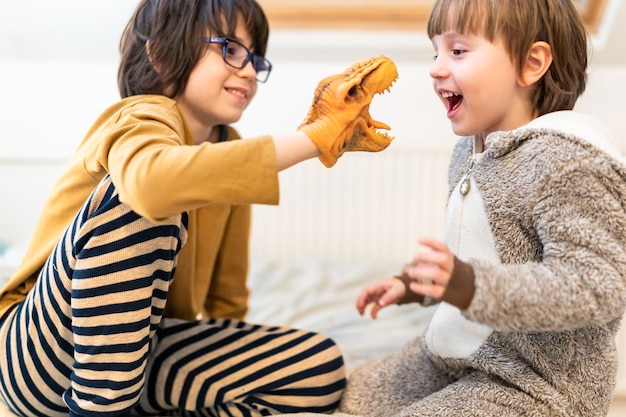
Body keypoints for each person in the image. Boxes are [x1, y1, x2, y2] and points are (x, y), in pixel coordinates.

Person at [0, 0, 396, 416]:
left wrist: (236, 363)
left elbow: (226, 303)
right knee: (143, 202)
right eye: (229, 48)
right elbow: (152, 188)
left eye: (254, 57)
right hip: (43, 357)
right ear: (160, 51)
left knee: (320, 365)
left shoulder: (229, 153)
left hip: (142, 355)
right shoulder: (140, 116)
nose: (247, 70)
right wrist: (313, 139)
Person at [339, 0, 626, 416]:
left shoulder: (570, 163)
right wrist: (415, 283)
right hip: (457, 355)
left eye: (457, 51)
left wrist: (470, 285)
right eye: (435, 51)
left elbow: (599, 285)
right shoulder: (469, 153)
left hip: (533, 385)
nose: (436, 68)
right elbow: (480, 253)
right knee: (352, 395)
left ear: (531, 64)